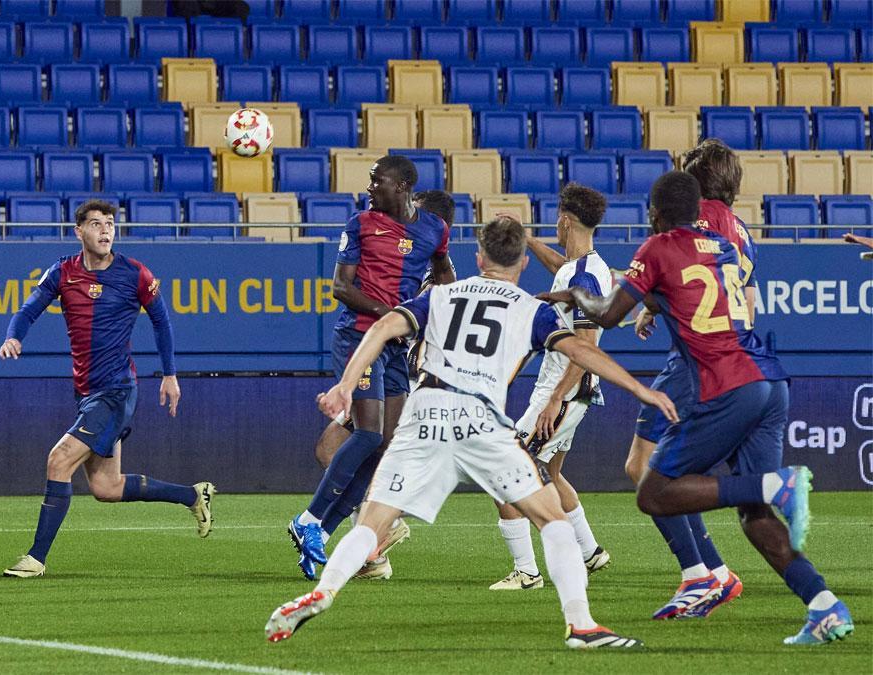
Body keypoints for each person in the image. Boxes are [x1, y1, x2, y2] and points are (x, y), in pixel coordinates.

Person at [266, 216, 673, 648]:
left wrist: (346, 385)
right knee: (551, 519)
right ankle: (581, 624)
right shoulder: (528, 307)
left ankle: (322, 592)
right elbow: (581, 350)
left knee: (372, 521)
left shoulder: (440, 296)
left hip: (425, 412)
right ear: (519, 265)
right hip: (481, 421)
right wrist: (637, 389)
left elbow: (384, 327)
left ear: (478, 258)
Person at [541, 171, 854, 646]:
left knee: (653, 490)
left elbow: (607, 314)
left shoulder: (658, 248)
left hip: (726, 385)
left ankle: (776, 487)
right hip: (769, 382)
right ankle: (823, 606)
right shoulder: (720, 247)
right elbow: (681, 297)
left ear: (656, 213)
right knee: (755, 515)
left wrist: (574, 295)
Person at [0, 200, 215, 578]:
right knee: (106, 486)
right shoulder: (62, 272)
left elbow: (162, 323)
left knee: (59, 459)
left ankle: (35, 558)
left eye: (110, 224)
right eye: (96, 224)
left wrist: (169, 374)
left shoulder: (135, 274)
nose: (104, 231)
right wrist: (13, 337)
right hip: (87, 392)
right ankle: (193, 496)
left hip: (117, 390)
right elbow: (28, 310)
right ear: (78, 231)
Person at [288, 158, 456, 581]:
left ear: (401, 186)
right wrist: (391, 317)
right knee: (365, 432)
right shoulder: (360, 224)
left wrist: (442, 301)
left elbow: (443, 273)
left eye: (376, 181)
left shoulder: (434, 228)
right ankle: (309, 519)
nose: (369, 187)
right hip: (359, 339)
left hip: (397, 349)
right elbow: (341, 287)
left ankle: (320, 534)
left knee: (384, 446)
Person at [627, 140, 753, 619]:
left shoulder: (700, 219)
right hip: (729, 357)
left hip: (696, 359)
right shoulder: (740, 229)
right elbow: (737, 294)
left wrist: (646, 301)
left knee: (643, 467)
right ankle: (716, 574)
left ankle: (698, 574)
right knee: (668, 467)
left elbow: (684, 271)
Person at [488, 184, 612, 590]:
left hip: (562, 391)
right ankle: (591, 552)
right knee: (552, 474)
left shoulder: (584, 276)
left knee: (506, 470)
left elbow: (587, 346)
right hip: (571, 391)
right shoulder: (584, 268)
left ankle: (526, 571)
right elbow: (562, 267)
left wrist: (555, 398)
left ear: (565, 219)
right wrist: (525, 238)